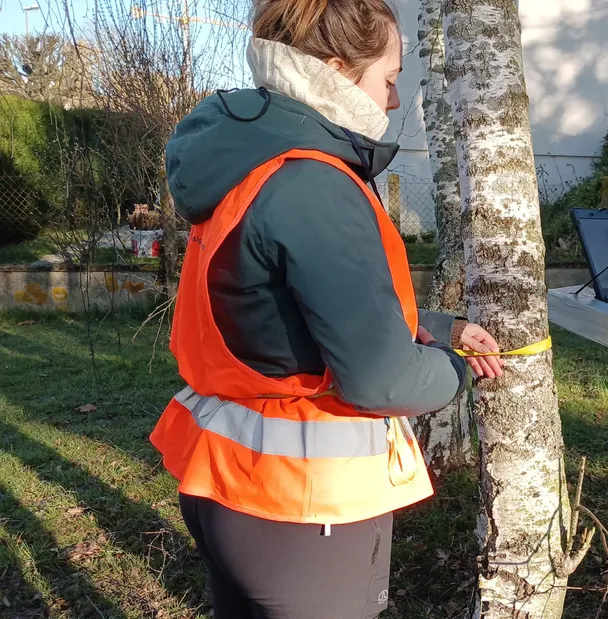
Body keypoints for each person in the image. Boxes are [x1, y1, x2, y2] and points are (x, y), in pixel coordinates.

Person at [148, 1, 504, 617]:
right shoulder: (314, 182)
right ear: (339, 70)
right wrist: (455, 369)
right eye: (389, 79)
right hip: (303, 506)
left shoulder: (249, 161)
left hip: (227, 478)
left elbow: (280, 311)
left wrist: (441, 327)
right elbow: (379, 379)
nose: (394, 102)